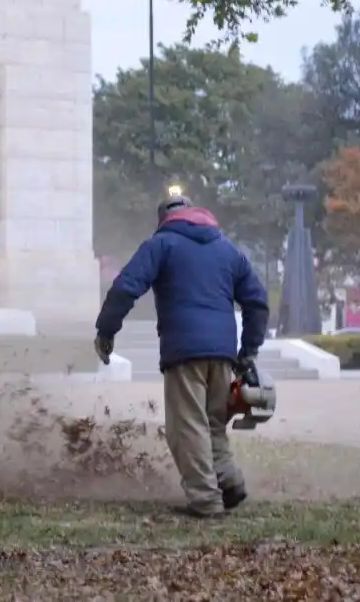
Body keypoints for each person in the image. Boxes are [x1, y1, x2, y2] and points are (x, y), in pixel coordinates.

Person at [93, 193, 269, 519]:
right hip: (223, 353)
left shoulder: (161, 244)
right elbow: (257, 300)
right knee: (213, 422)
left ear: (163, 219)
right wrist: (248, 352)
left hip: (185, 351)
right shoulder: (226, 249)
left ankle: (205, 501)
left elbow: (126, 286)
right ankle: (229, 482)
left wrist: (106, 330)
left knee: (187, 427)